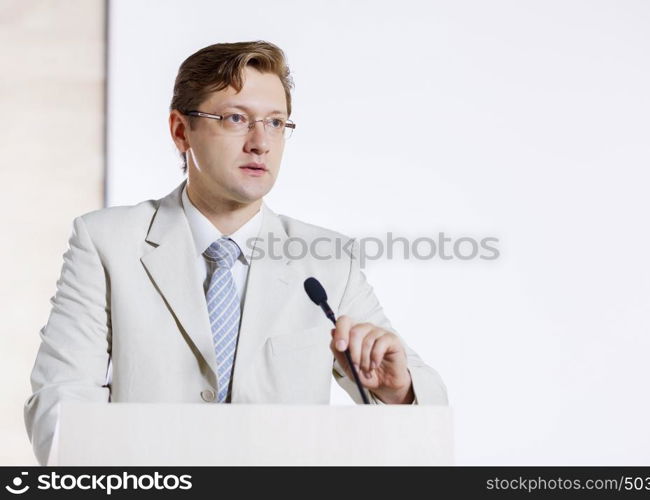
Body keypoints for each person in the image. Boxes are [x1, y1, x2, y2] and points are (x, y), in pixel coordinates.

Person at [24, 41, 448, 465]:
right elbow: (61, 402)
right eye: (236, 118)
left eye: (276, 123)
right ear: (180, 130)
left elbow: (425, 411)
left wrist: (398, 391)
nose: (261, 142)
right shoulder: (105, 242)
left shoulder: (326, 259)